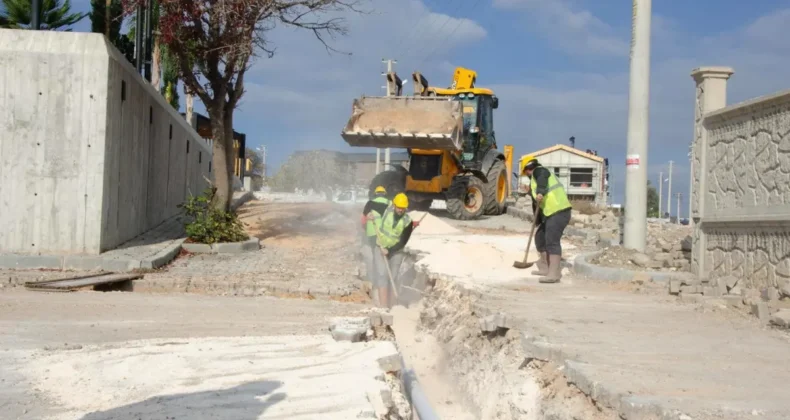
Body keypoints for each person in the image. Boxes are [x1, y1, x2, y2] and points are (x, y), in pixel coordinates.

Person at [521, 155, 572, 283]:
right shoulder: (535, 180)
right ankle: (545, 268)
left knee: (552, 241)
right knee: (540, 237)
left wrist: (540, 192)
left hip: (559, 211)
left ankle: (554, 273)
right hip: (550, 214)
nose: (525, 174)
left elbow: (543, 178)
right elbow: (537, 202)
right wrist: (531, 192)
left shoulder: (540, 171)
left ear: (528, 168)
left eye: (525, 171)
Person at [368, 193, 416, 308]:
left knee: (393, 277)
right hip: (380, 247)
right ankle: (384, 307)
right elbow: (370, 205)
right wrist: (369, 215)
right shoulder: (386, 209)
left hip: (396, 251)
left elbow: (402, 242)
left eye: (403, 208)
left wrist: (389, 250)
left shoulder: (408, 222)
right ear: (394, 205)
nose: (400, 210)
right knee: (382, 275)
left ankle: (393, 306)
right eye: (398, 207)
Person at [361, 186, 391, 303]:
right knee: (382, 259)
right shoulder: (390, 203)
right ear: (384, 194)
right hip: (386, 236)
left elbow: (363, 220)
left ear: (375, 194)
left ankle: (374, 281)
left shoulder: (370, 203)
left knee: (375, 258)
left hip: (372, 235)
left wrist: (364, 230)